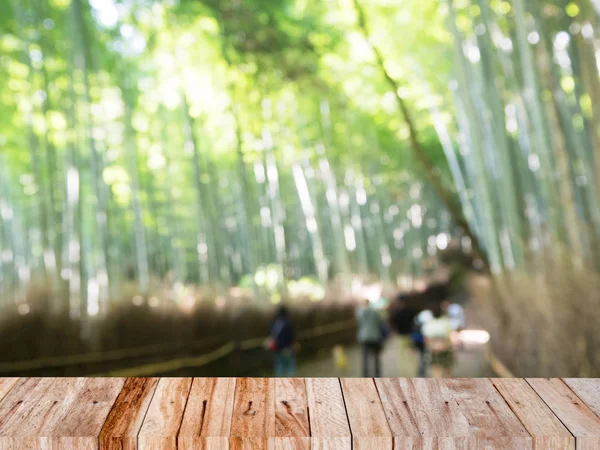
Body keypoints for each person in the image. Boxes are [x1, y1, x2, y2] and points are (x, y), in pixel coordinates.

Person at [422, 302, 456, 378]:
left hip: (433, 350)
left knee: (436, 371)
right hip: (445, 348)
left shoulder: (429, 323)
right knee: (447, 371)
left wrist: (431, 346)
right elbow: (450, 336)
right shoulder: (446, 322)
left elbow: (426, 338)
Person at [356, 300, 387, 377]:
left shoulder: (359, 312)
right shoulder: (376, 312)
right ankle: (377, 374)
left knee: (365, 358)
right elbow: (381, 323)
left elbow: (359, 323)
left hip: (364, 337)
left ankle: (365, 375)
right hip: (375, 336)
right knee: (376, 357)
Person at [268, 305, 297, 377]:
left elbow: (272, 335)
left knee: (279, 365)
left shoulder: (275, 322)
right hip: (287, 348)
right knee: (290, 366)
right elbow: (291, 336)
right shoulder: (288, 322)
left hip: (277, 348)